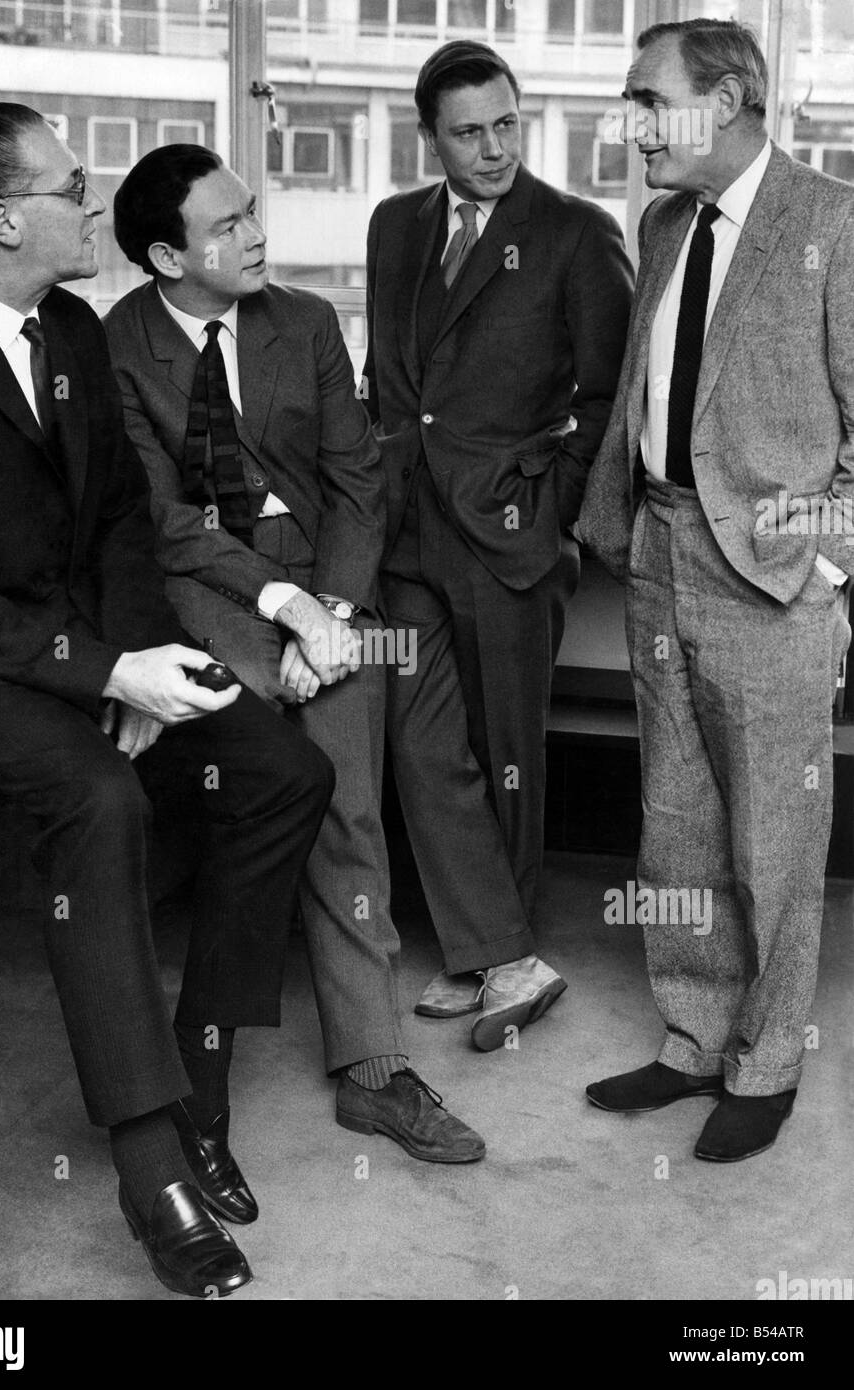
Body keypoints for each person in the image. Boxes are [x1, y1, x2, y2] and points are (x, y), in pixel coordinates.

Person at [0, 102, 335, 1297]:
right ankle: (151, 1166)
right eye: (74, 189)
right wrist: (101, 674)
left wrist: (133, 657)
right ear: (4, 215)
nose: (97, 207)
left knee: (285, 773)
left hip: (92, 642)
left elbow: (127, 522)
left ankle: (205, 1075)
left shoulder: (70, 328)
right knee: (98, 798)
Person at [103, 144, 484, 1163]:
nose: (256, 234)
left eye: (253, 210)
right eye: (225, 226)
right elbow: (162, 518)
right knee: (248, 810)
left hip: (326, 573)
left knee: (350, 811)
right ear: (164, 257)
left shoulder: (305, 321)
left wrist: (332, 609)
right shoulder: (116, 343)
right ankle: (192, 1075)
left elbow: (359, 481)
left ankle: (374, 1070)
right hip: (207, 584)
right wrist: (279, 608)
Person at [578, 18, 854, 1161]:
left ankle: (769, 1060)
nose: (628, 125)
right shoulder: (661, 219)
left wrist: (827, 565)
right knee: (676, 819)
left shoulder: (833, 221)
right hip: (657, 549)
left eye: (649, 101)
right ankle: (694, 1036)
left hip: (775, 576)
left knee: (777, 835)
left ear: (733, 98)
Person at [364, 40, 633, 1050]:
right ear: (429, 136)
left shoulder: (573, 231)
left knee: (507, 748)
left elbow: (609, 401)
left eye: (506, 124)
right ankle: (496, 949)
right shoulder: (394, 225)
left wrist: (551, 507)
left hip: (509, 534)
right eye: (469, 131)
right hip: (405, 529)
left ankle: (498, 959)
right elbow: (389, 380)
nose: (493, 148)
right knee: (422, 739)